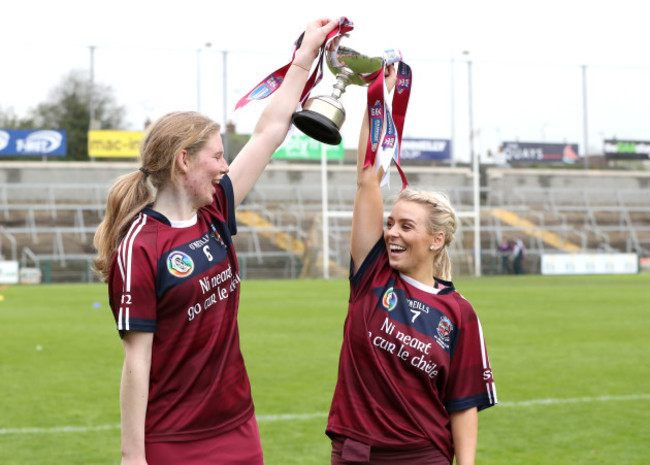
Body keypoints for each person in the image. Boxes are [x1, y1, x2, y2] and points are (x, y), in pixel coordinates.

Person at [92, 18, 339, 465]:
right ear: (184, 161)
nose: (226, 166)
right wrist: (133, 456)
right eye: (218, 156)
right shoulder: (140, 246)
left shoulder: (215, 211)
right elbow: (136, 361)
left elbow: (268, 132)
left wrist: (304, 59)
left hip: (238, 426)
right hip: (174, 440)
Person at [326, 65, 497, 465]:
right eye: (390, 223)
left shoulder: (459, 313)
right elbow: (369, 179)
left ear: (436, 239)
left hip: (422, 457)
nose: (392, 233)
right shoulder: (372, 277)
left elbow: (464, 400)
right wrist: (377, 99)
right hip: (355, 454)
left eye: (406, 226)